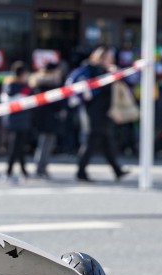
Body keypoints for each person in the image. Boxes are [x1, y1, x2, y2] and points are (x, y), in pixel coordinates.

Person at [68, 46, 128, 182]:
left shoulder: (105, 70)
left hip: (104, 111)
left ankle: (117, 170)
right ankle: (81, 171)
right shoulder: (90, 69)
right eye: (108, 58)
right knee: (91, 141)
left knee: (107, 140)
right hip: (91, 111)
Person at [0, 61, 32, 183]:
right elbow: (9, 100)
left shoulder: (20, 85)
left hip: (21, 119)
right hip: (15, 120)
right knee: (15, 147)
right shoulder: (13, 85)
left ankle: (24, 172)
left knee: (20, 147)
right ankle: (8, 172)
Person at [30, 62, 63, 178]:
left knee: (46, 142)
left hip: (43, 117)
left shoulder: (39, 83)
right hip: (48, 117)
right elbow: (56, 104)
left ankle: (41, 167)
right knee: (46, 143)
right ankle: (40, 168)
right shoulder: (51, 84)